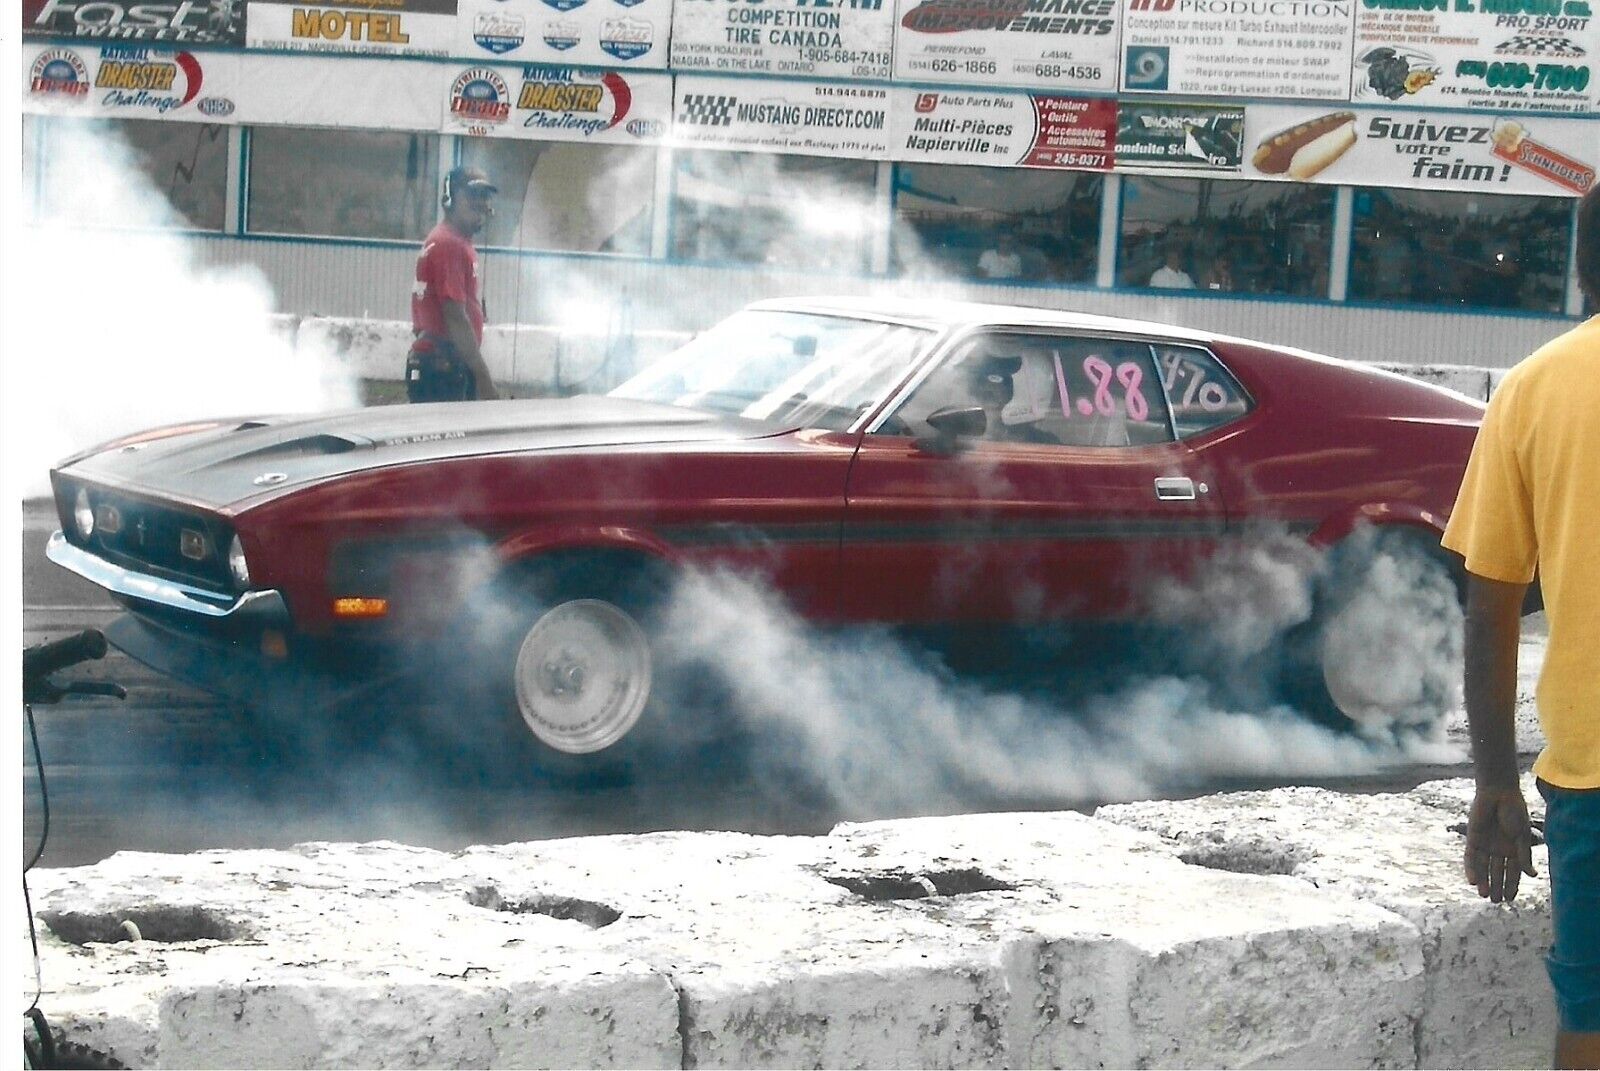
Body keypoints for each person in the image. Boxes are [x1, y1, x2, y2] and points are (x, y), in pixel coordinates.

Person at [1441, 184, 1598, 1069]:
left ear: (1581, 270)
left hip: (1593, 771)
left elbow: (1490, 605)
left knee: (1590, 1015)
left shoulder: (1535, 389)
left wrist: (1496, 787)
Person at [407, 165, 499, 402]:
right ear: (449, 199)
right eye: (472, 195)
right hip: (443, 367)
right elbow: (455, 316)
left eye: (484, 196)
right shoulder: (450, 245)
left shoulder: (450, 241)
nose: (480, 203)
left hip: (439, 361)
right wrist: (483, 379)